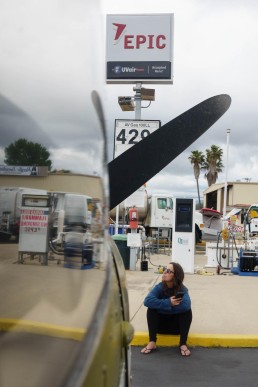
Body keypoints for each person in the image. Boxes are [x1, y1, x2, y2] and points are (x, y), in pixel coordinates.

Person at [141, 262, 192, 357]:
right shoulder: (160, 287)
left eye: (168, 271)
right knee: (151, 309)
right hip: (160, 326)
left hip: (176, 327)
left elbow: (186, 305)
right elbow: (147, 301)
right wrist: (168, 303)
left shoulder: (182, 289)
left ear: (175, 275)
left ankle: (183, 344)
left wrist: (163, 307)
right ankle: (152, 341)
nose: (164, 272)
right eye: (165, 269)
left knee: (187, 311)